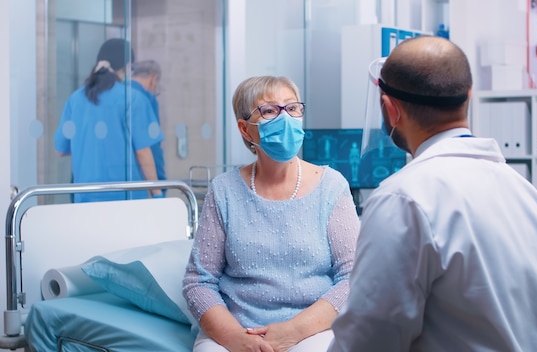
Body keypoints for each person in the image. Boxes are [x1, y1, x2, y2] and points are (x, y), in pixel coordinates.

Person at [329, 36, 537, 351]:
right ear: (468, 96)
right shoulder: (529, 197)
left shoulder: (403, 200)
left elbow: (369, 339)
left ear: (391, 109)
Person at [183, 75, 360, 352]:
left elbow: (354, 276)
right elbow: (198, 282)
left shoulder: (331, 186)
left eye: (292, 108)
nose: (285, 118)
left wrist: (293, 331)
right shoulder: (224, 190)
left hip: (311, 329)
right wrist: (235, 338)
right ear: (245, 129)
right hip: (236, 328)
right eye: (269, 111)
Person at [54, 38, 163, 202]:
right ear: (127, 67)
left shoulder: (75, 99)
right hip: (126, 197)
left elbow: (61, 150)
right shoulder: (132, 99)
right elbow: (143, 152)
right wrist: (157, 193)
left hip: (85, 197)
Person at [131, 60, 166, 188]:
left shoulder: (115, 92)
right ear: (153, 78)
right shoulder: (145, 99)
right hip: (139, 181)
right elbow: (151, 146)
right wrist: (160, 184)